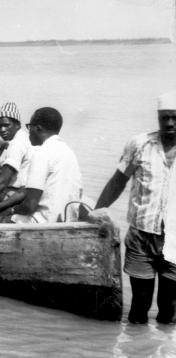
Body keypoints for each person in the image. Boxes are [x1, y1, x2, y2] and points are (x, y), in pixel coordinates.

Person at [91, 92, 176, 324]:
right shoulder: (140, 144)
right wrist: (96, 213)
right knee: (139, 305)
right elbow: (118, 182)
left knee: (171, 307)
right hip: (141, 235)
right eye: (164, 117)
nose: (169, 123)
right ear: (158, 117)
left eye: (174, 117)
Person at [0, 107, 82, 223]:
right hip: (67, 221)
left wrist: (8, 211)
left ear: (38, 128)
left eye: (29, 127)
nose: (28, 132)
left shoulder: (41, 153)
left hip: (42, 222)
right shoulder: (69, 153)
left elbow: (29, 206)